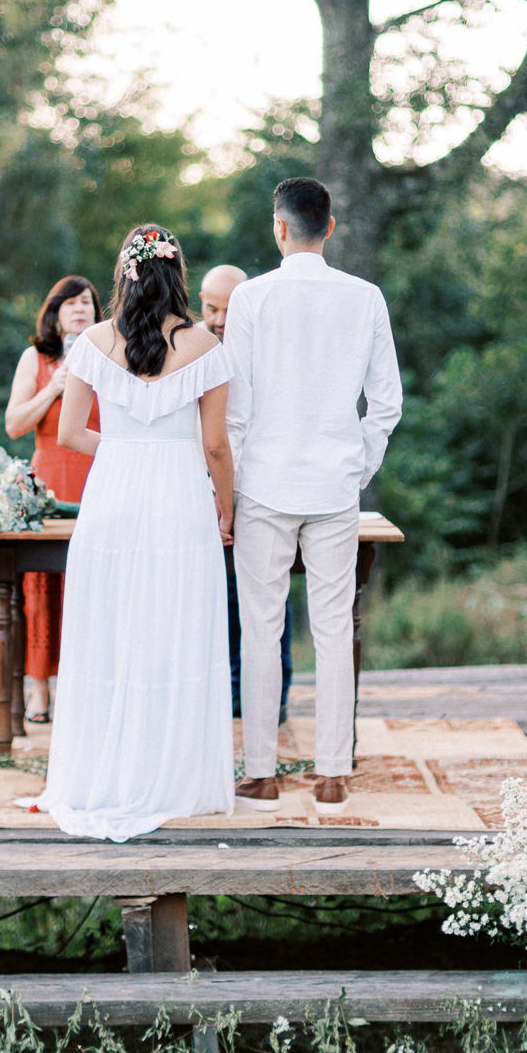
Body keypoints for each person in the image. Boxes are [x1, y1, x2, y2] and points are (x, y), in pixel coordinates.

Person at [37, 225, 235, 841]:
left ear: (123, 273)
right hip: (181, 497)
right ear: (178, 274)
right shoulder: (204, 344)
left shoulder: (90, 344)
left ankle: (105, 773)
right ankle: (174, 777)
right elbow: (214, 444)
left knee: (110, 630)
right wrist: (225, 510)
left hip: (113, 498)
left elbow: (69, 435)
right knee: (176, 630)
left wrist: (126, 450)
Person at [223, 178, 403, 812]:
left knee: (261, 632)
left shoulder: (250, 298)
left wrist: (236, 485)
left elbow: (234, 410)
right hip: (333, 487)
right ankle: (332, 776)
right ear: (331, 227)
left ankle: (263, 774)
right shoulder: (365, 297)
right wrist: (355, 467)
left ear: (278, 228)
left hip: (264, 486)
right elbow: (386, 404)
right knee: (333, 630)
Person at [4, 275, 102, 722]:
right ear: (54, 312)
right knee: (40, 588)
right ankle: (38, 687)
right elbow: (14, 425)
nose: (80, 309)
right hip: (49, 482)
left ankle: (81, 688)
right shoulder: (37, 358)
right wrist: (53, 388)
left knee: (90, 586)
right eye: (70, 303)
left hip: (98, 480)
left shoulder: (110, 355)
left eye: (87, 302)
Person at [199, 263, 293, 725]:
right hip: (200, 491)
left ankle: (270, 699)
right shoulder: (192, 345)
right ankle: (218, 695)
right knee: (211, 598)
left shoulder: (267, 345)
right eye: (210, 307)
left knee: (265, 596)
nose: (218, 319)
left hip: (259, 489)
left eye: (228, 309)